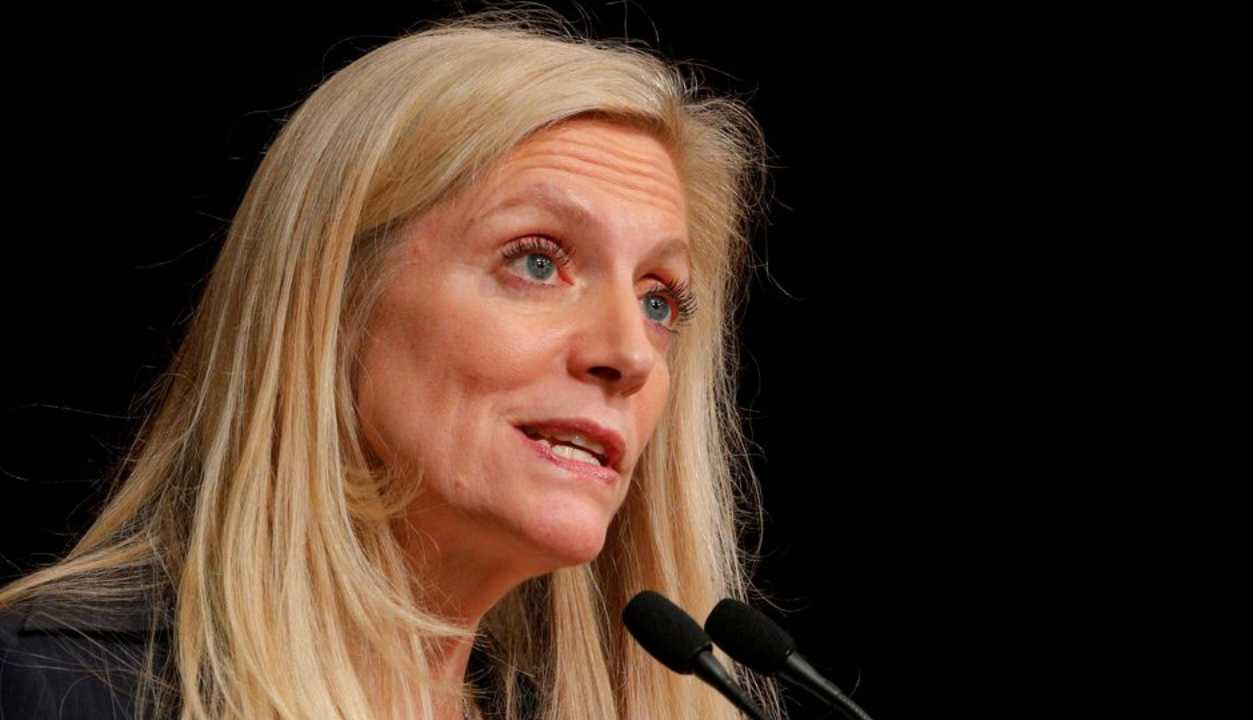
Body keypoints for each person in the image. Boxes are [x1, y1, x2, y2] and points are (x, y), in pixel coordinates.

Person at [0, 8, 781, 719]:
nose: (630, 354)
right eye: (538, 262)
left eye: (659, 300)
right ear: (335, 299)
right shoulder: (41, 685)